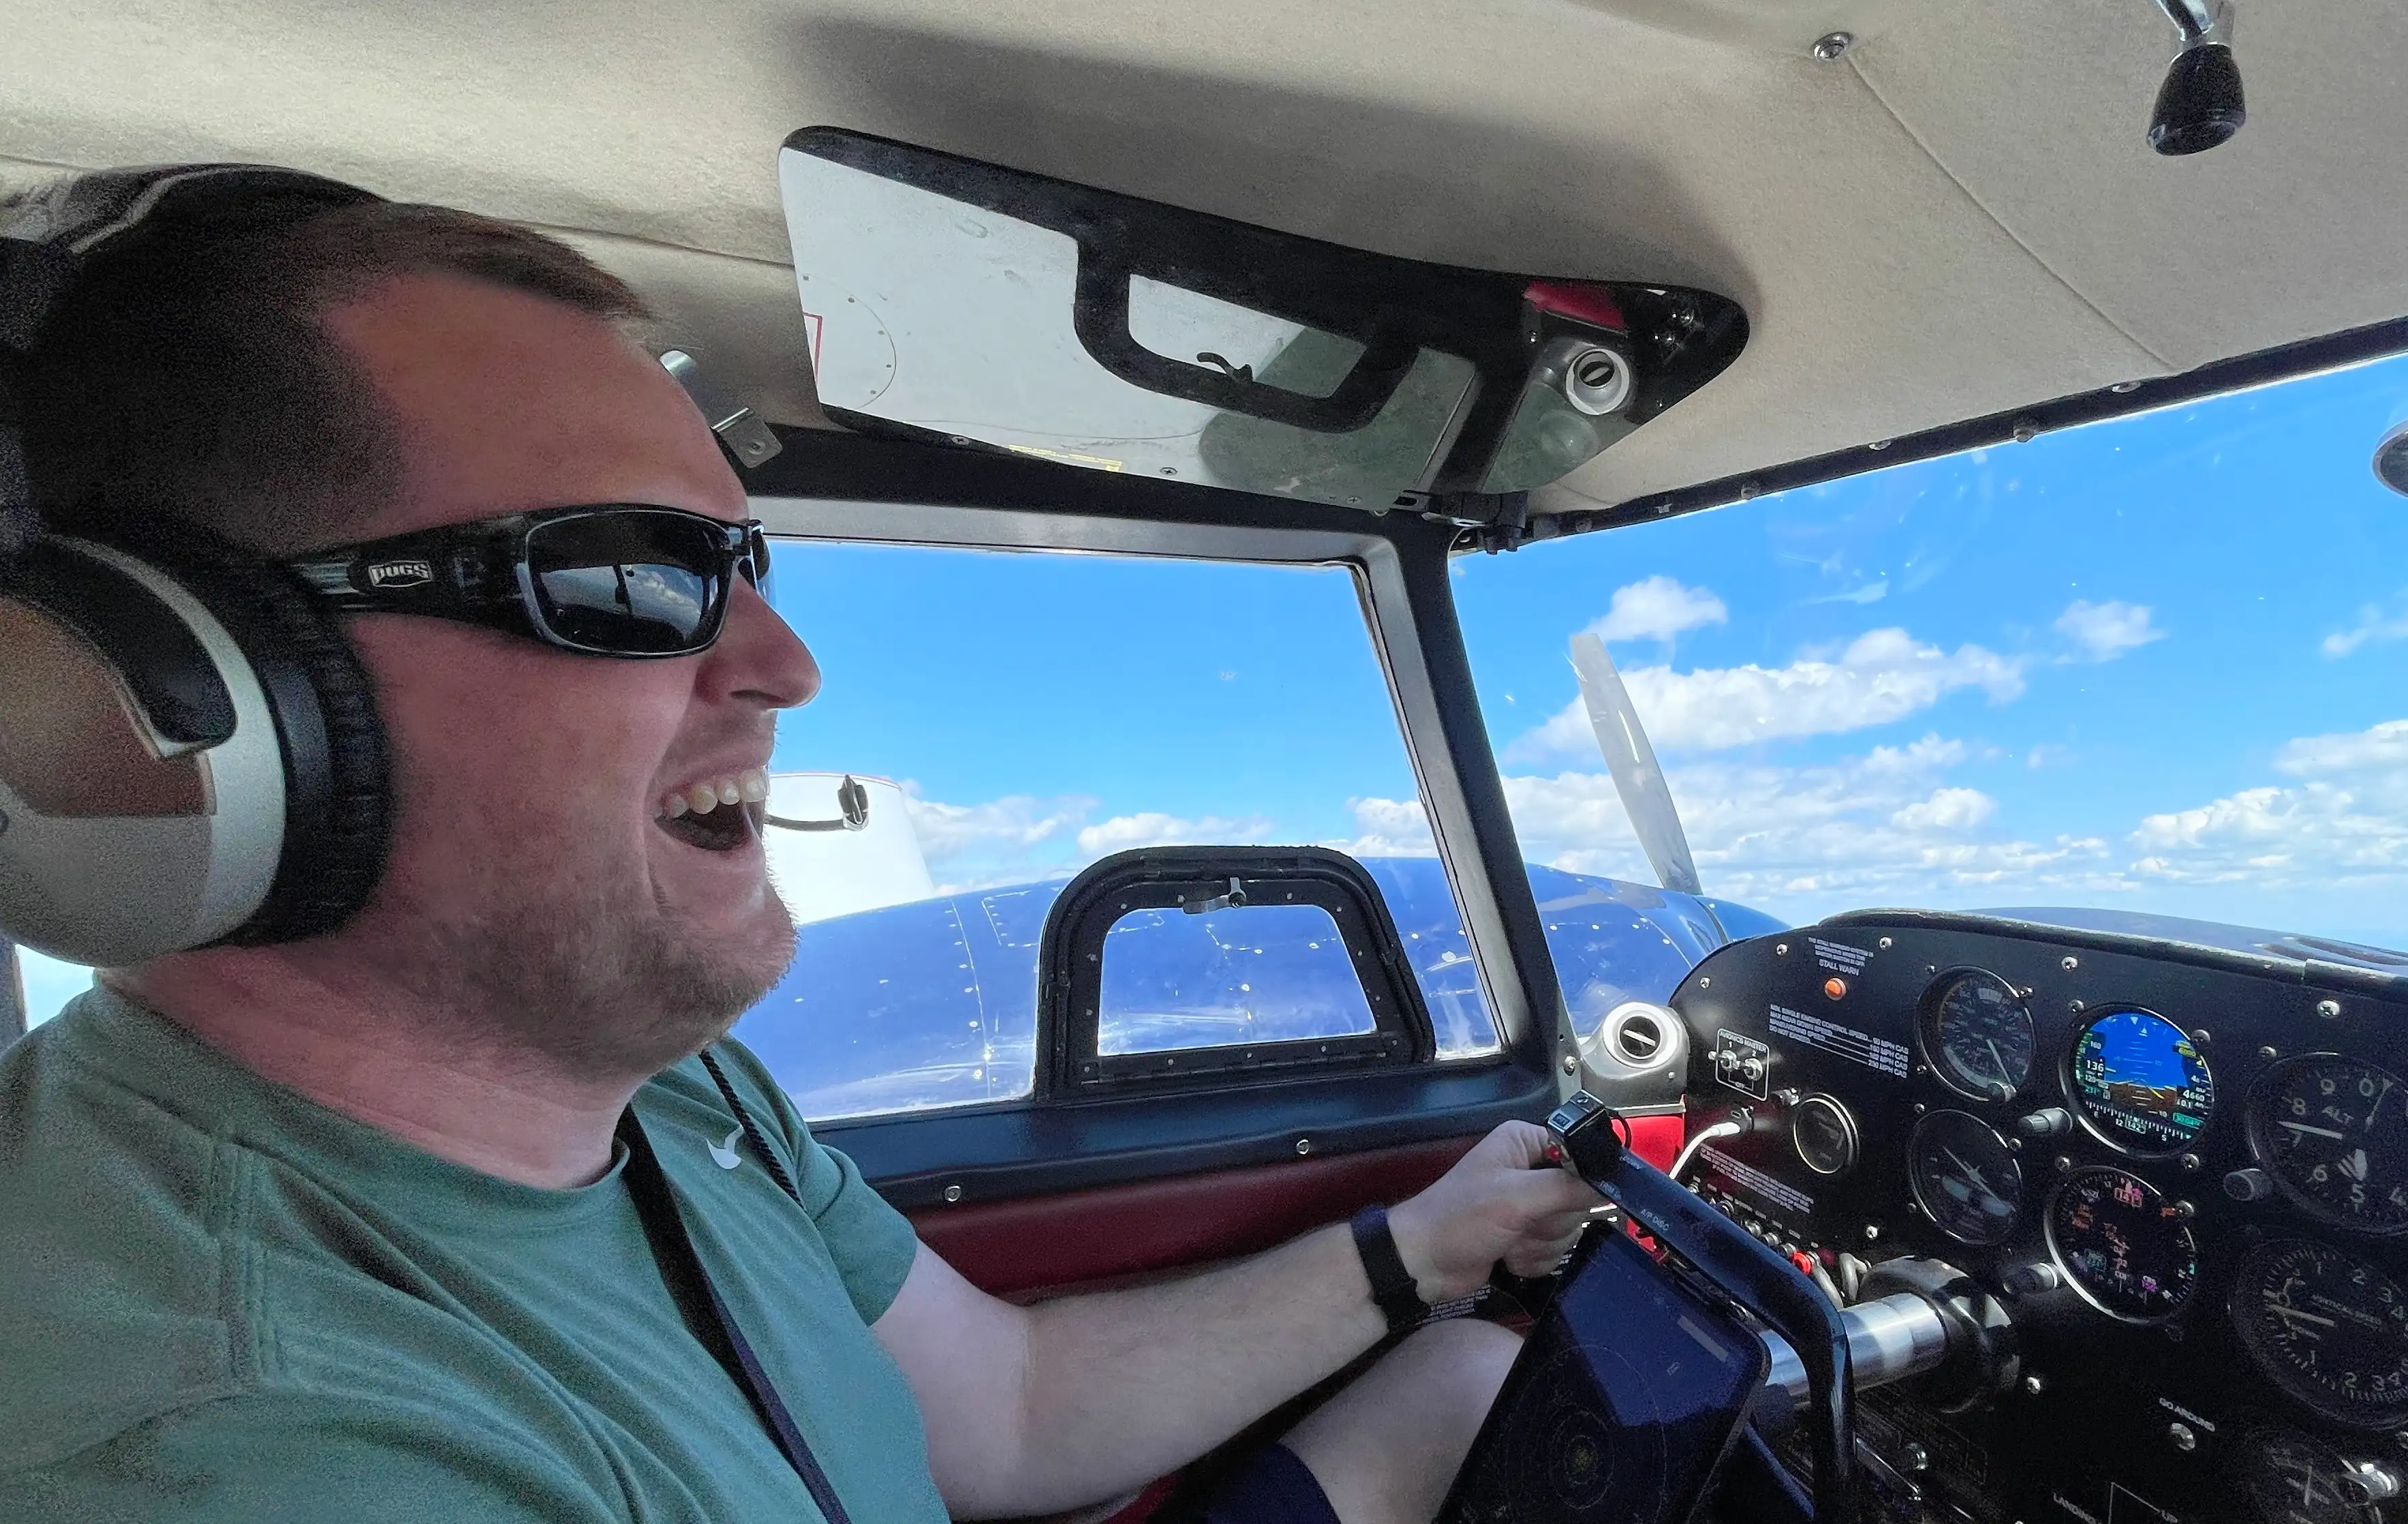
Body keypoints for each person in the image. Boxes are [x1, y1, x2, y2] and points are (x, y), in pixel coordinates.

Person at [0, 183, 1602, 1523]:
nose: (784, 664)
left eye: (743, 562)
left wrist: (1421, 1248)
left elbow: (1009, 1411)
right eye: (631, 575)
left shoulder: (666, 1091)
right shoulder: (234, 1443)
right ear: (205, 694)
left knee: (1477, 1371)